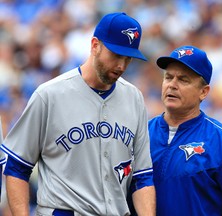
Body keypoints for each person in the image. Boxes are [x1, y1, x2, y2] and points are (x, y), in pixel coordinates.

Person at [1, 12, 156, 216]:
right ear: (94, 45)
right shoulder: (50, 95)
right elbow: (16, 166)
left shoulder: (134, 98)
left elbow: (142, 176)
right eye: (116, 55)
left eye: (128, 58)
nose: (121, 66)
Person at [149, 45, 222, 215]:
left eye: (183, 80)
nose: (172, 85)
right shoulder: (142, 133)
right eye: (168, 77)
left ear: (203, 92)